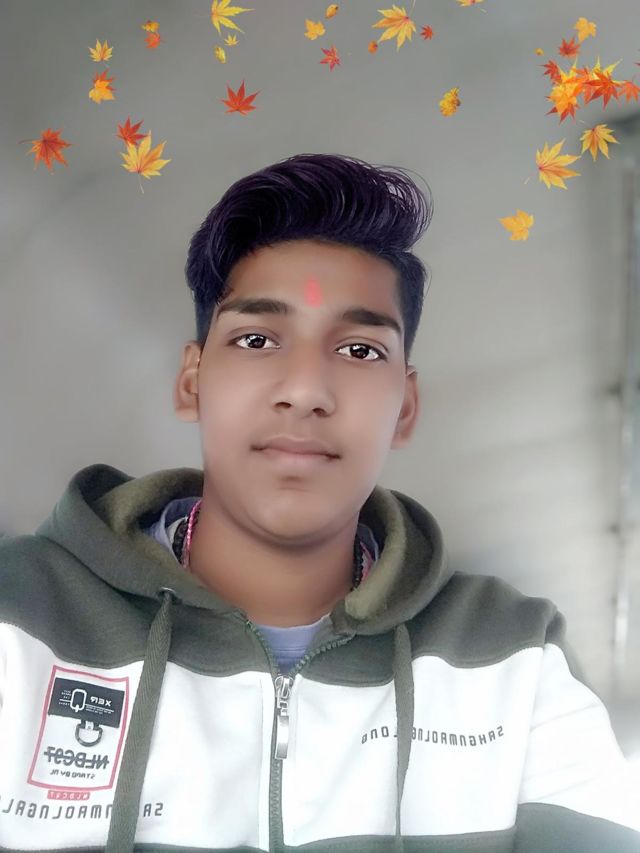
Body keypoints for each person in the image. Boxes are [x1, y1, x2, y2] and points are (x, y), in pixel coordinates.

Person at [0, 153, 638, 853]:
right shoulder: (19, 617)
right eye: (255, 339)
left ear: (405, 407)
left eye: (360, 350)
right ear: (192, 382)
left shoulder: (515, 659)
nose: (305, 390)